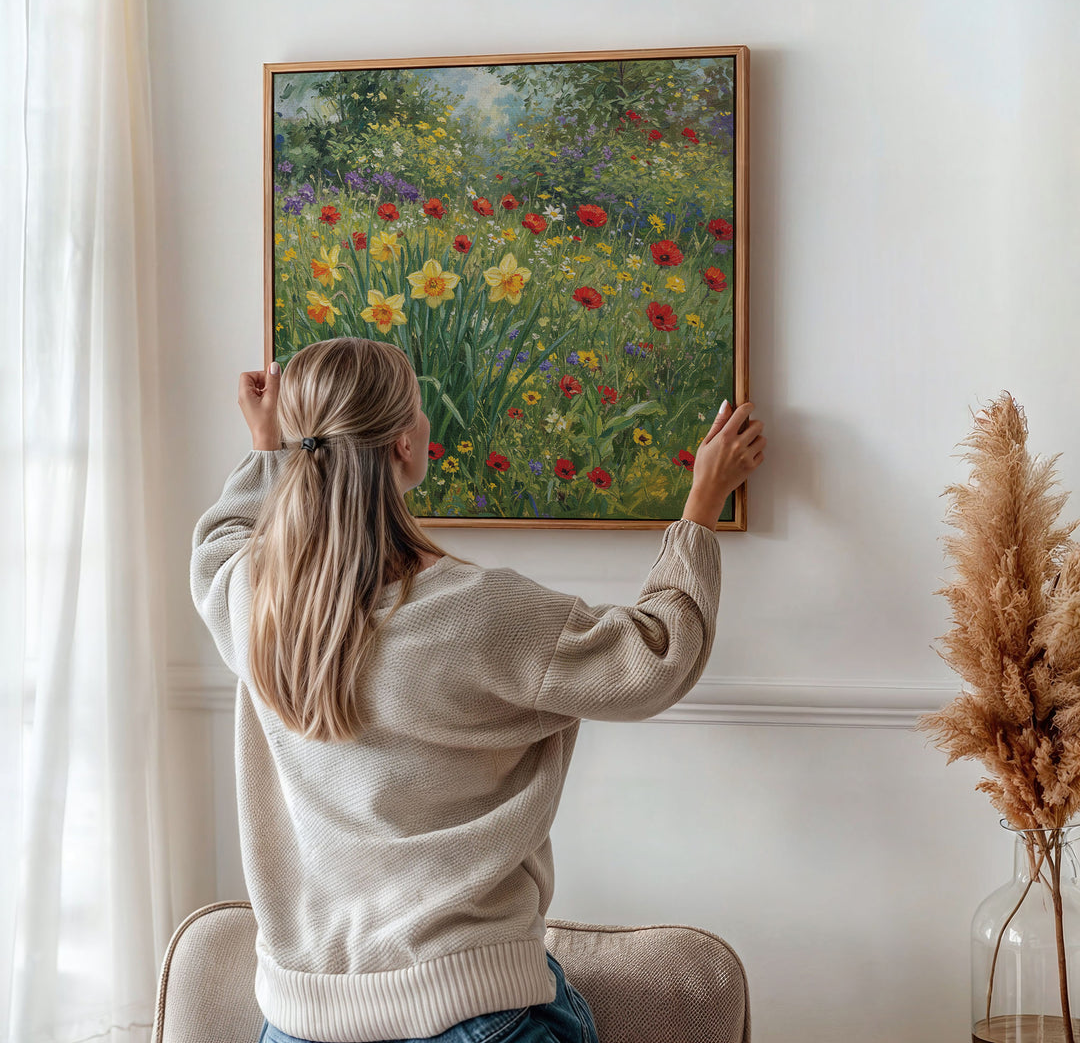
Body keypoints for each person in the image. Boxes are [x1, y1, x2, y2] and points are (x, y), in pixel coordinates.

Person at [190, 336, 766, 1043]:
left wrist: (266, 448)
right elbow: (655, 655)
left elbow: (218, 542)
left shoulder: (254, 603)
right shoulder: (478, 612)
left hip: (298, 1024)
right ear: (405, 445)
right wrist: (701, 503)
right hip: (470, 1014)